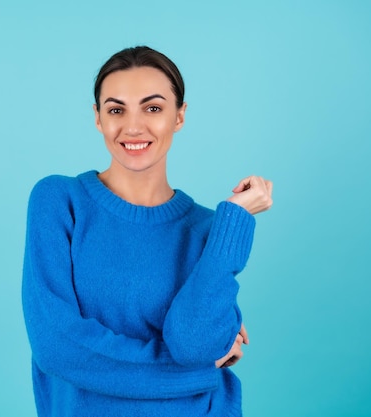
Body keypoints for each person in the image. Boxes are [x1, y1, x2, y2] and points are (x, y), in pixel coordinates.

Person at [22, 46, 273, 417]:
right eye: (116, 109)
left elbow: (193, 345)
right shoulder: (60, 200)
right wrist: (196, 374)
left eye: (153, 108)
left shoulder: (207, 229)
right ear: (97, 118)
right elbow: (56, 346)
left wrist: (233, 219)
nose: (133, 126)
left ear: (180, 116)